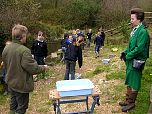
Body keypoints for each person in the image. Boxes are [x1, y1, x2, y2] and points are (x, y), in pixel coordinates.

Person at [2, 24, 48, 114]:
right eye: (26, 35)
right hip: (21, 85)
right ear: (23, 36)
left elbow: (6, 64)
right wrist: (44, 67)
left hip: (10, 83)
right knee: (21, 108)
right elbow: (33, 68)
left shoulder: (6, 48)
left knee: (13, 106)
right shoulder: (24, 50)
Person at [119, 8, 150, 112]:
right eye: (131, 18)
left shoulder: (143, 32)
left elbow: (139, 49)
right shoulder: (135, 29)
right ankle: (128, 100)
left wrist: (128, 56)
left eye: (132, 19)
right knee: (129, 79)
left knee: (135, 81)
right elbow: (131, 45)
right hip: (131, 60)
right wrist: (125, 52)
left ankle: (131, 103)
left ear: (139, 19)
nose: (130, 21)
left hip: (137, 61)